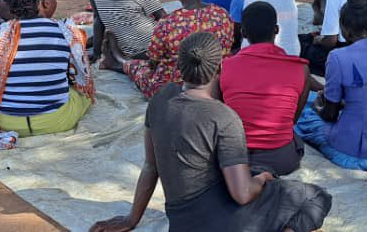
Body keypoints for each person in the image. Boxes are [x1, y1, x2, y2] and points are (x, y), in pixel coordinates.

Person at [91, 32, 331, 232]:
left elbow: (151, 166)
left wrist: (131, 219)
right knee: (316, 197)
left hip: (181, 222)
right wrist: (262, 179)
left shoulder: (159, 100)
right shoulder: (224, 118)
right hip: (224, 221)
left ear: (179, 66)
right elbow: (242, 194)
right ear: (220, 67)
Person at [0, 0, 95, 150]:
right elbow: (80, 75)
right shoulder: (66, 32)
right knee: (84, 94)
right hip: (56, 121)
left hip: (8, 122)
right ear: (45, 3)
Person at [294, 0, 367, 170]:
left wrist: (319, 108)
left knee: (302, 113)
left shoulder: (338, 57)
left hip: (353, 153)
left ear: (344, 29)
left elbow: (330, 115)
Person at [216, 2, 310, 176]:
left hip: (235, 160)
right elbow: (292, 119)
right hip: (282, 160)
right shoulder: (300, 69)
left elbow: (221, 111)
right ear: (276, 30)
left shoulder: (225, 66)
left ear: (243, 33)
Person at [122, 0, 234, 98]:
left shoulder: (168, 22)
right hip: (214, 86)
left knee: (137, 67)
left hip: (174, 90)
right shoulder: (223, 15)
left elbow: (153, 62)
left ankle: (120, 62)